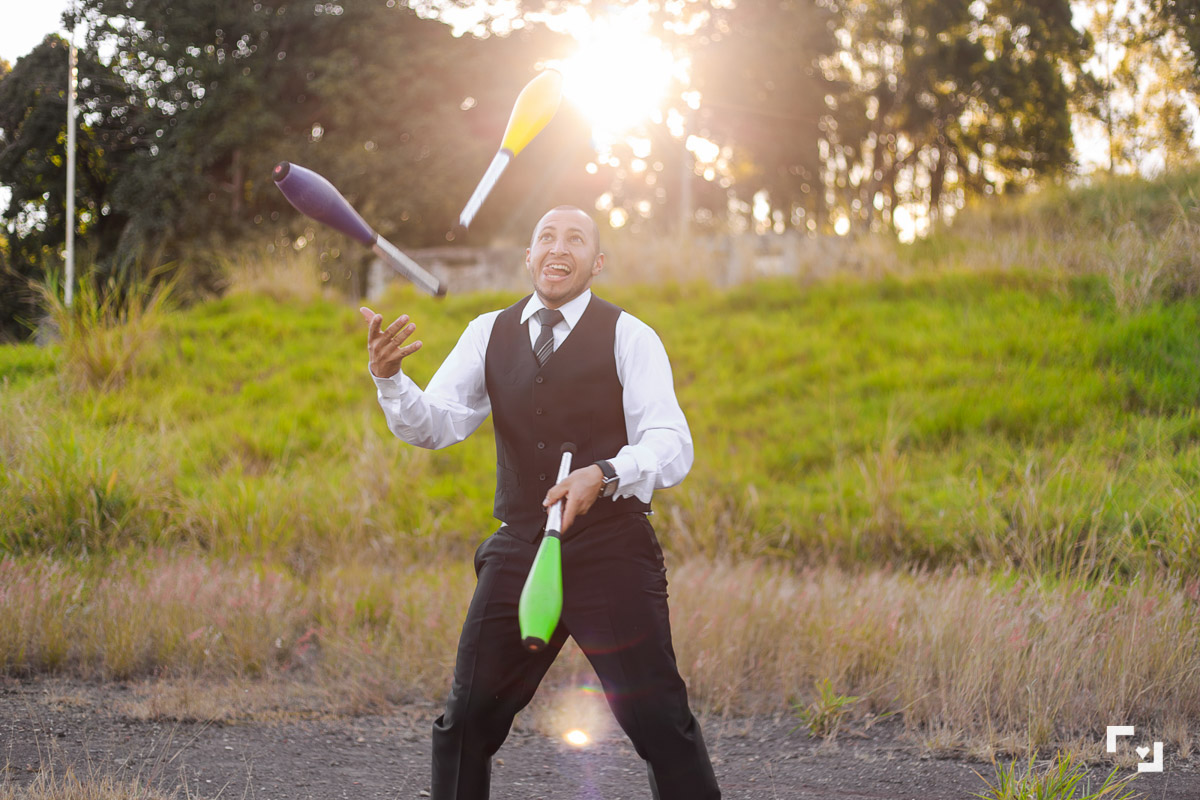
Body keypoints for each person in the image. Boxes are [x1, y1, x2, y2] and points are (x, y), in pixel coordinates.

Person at [358, 206, 721, 800]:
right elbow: (437, 426)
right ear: (528, 256)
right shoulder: (487, 333)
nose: (559, 248)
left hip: (612, 551)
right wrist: (392, 381)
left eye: (576, 239)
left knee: (660, 723)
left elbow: (671, 445)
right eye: (546, 236)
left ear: (596, 262)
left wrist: (603, 473)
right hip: (521, 546)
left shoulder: (631, 335)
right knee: (466, 721)